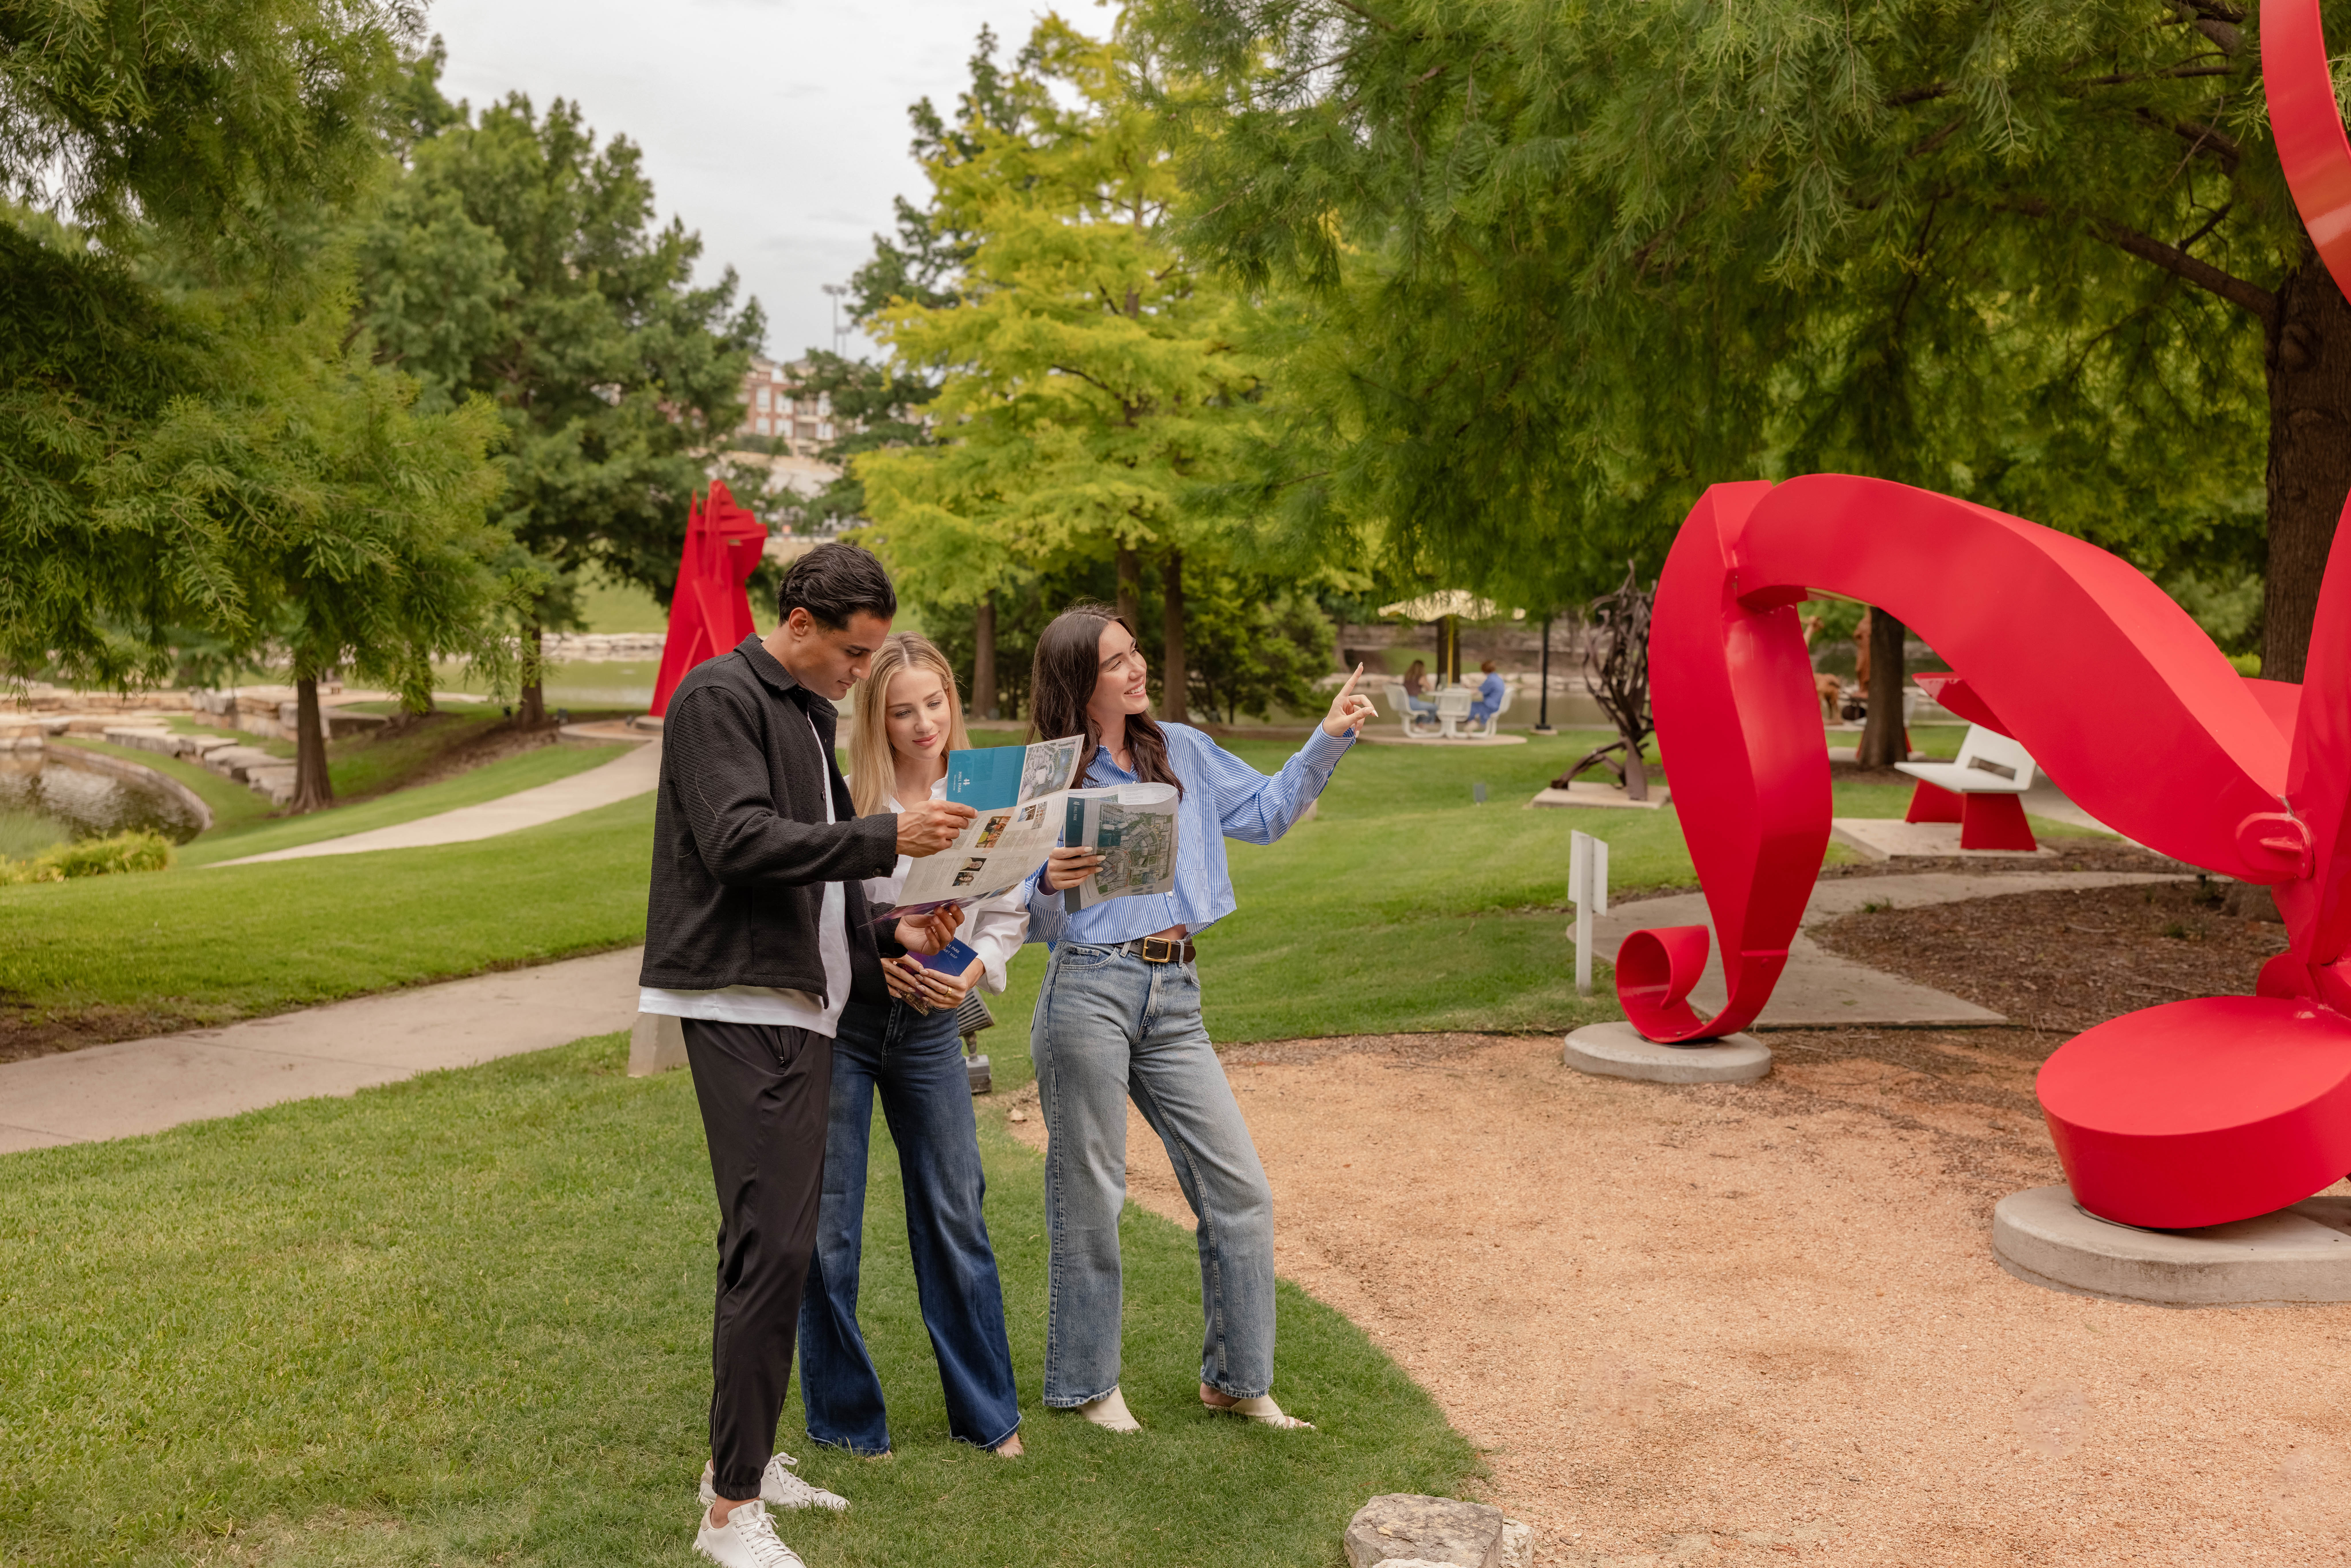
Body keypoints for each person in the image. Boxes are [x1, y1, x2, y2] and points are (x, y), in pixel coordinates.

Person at [638, 543, 975, 1568]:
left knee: (773, 1244)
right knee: (775, 1247)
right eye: (853, 651)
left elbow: (814, 883)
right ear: (798, 621)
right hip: (738, 998)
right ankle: (730, 1511)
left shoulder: (801, 713)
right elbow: (738, 841)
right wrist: (889, 834)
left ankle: (746, 1457)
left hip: (802, 1003)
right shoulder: (717, 698)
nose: (861, 673)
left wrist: (890, 937)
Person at [1021, 606, 1377, 1434]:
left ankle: (1238, 1379)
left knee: (1241, 1192)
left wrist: (1326, 737)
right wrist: (1045, 881)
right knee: (1091, 1192)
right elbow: (1021, 921)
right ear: (1080, 682)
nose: (1137, 668)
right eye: (1116, 662)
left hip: (1176, 995)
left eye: (1136, 650)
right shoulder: (1048, 780)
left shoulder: (1180, 747)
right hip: (1088, 991)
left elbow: (1267, 812)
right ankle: (1086, 1386)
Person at [799, 633, 1027, 1460]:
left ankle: (988, 1417)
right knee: (828, 1231)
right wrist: (886, 950)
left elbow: (1005, 916)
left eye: (934, 704)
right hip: (847, 1026)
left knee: (954, 1214)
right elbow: (820, 910)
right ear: (877, 716)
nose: (923, 722)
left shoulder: (985, 797)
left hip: (934, 1027)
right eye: (902, 710)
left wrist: (966, 973)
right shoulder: (847, 795)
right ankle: (848, 1424)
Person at [1467, 659, 1507, 731]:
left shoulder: (1491, 680)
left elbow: (1480, 691)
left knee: (1469, 706)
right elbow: (1483, 689)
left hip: (1491, 706)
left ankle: (1472, 723)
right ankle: (1472, 724)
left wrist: (1469, 690)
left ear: (1484, 670)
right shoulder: (1497, 678)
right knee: (1473, 705)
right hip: (1496, 705)